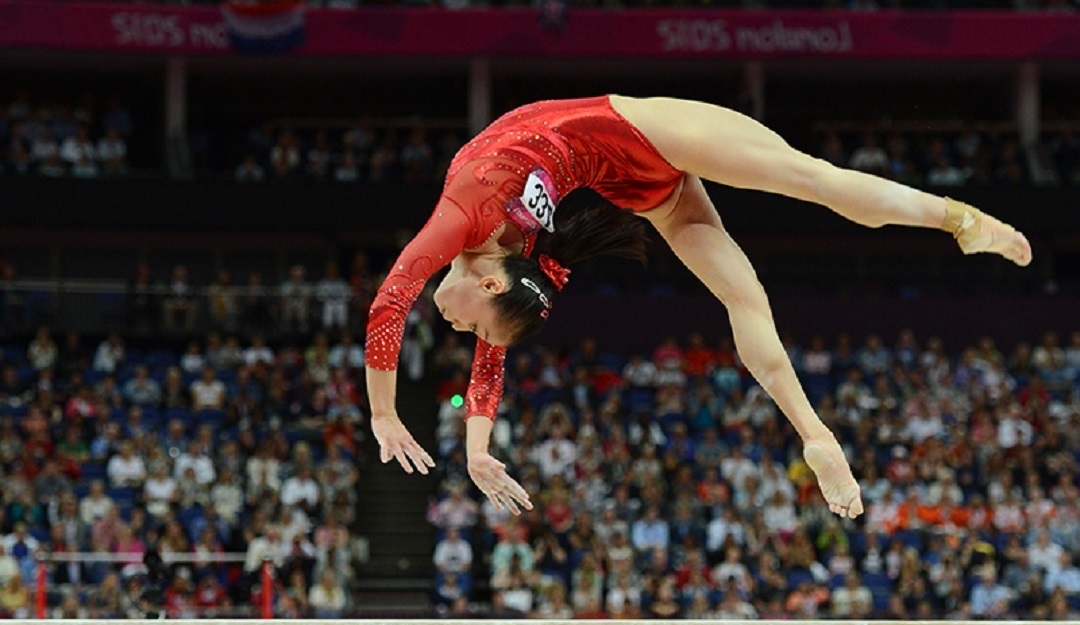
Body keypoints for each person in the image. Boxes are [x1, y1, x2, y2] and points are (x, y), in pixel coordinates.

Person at [365, 95, 1032, 519]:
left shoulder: (463, 218)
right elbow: (492, 354)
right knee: (746, 293)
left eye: (463, 324)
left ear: (488, 286)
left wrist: (385, 413)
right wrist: (477, 452)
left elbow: (389, 303)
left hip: (647, 130)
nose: (451, 324)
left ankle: (957, 218)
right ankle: (814, 432)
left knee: (809, 181)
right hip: (632, 173)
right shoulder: (511, 264)